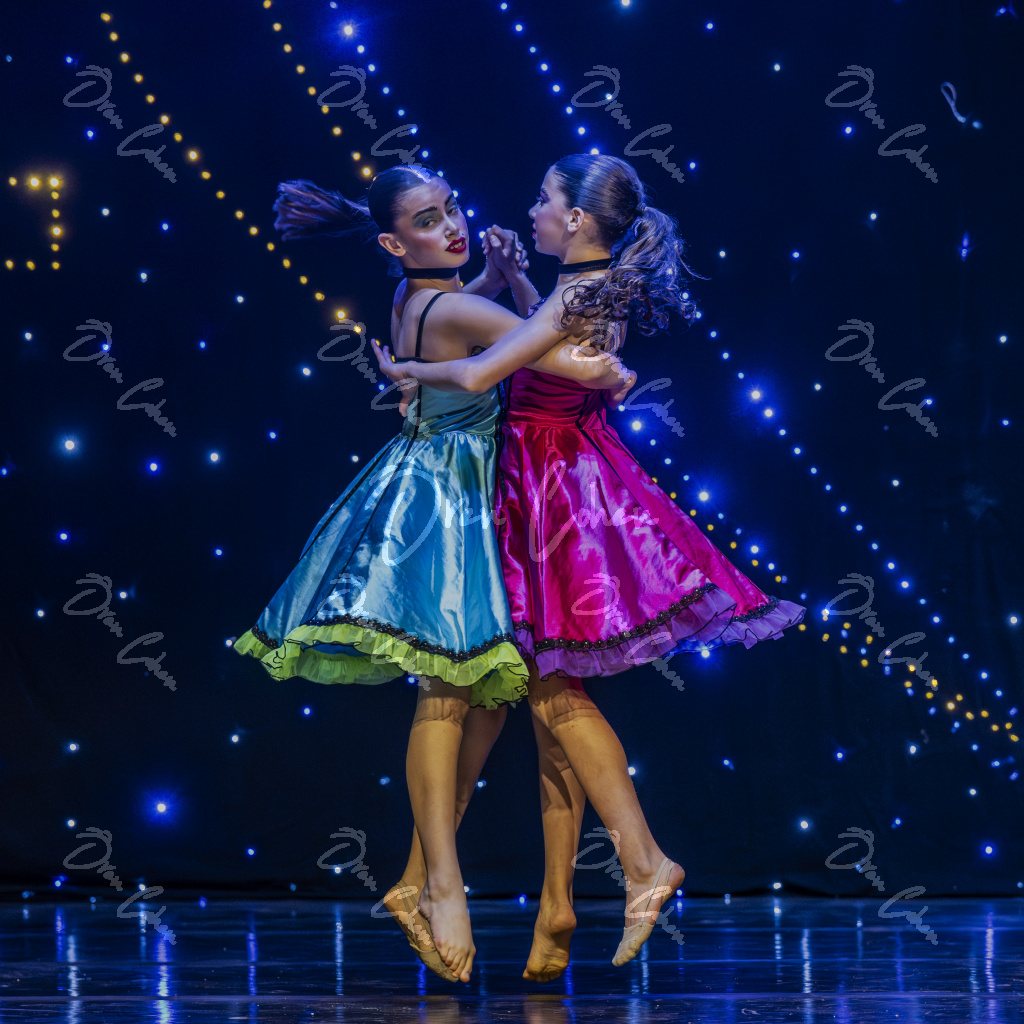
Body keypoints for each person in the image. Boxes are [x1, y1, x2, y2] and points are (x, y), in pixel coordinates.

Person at [374, 153, 807, 972]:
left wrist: (408, 372)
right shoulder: (587, 286)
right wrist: (518, 287)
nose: (531, 208)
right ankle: (560, 898)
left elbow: (484, 367)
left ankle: (638, 862)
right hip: (565, 477)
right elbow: (549, 344)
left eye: (544, 199)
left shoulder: (574, 292)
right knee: (547, 684)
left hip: (547, 490)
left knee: (544, 685)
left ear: (575, 219)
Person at [232, 165, 633, 983]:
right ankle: (441, 886)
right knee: (449, 694)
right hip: (452, 505)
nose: (452, 226)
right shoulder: (454, 309)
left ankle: (421, 882)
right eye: (428, 220)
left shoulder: (420, 298)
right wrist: (603, 366)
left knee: (481, 697)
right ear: (392, 242)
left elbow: (480, 323)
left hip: (438, 484)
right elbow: (555, 354)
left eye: (451, 208)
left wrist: (498, 279)